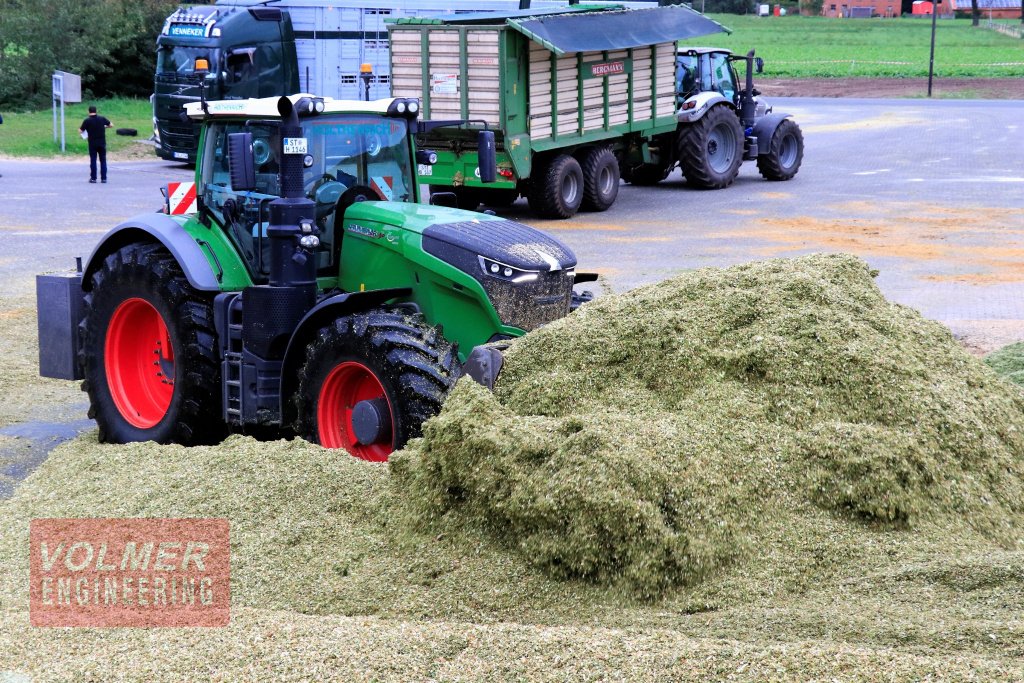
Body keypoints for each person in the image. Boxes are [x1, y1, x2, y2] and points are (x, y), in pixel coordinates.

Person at [79, 105, 113, 183]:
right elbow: (111, 125)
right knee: (103, 160)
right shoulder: (102, 119)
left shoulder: (87, 121)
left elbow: (81, 130)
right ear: (96, 111)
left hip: (92, 143)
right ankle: (104, 178)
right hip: (102, 143)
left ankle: (93, 178)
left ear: (88, 111)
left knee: (93, 160)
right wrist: (104, 127)